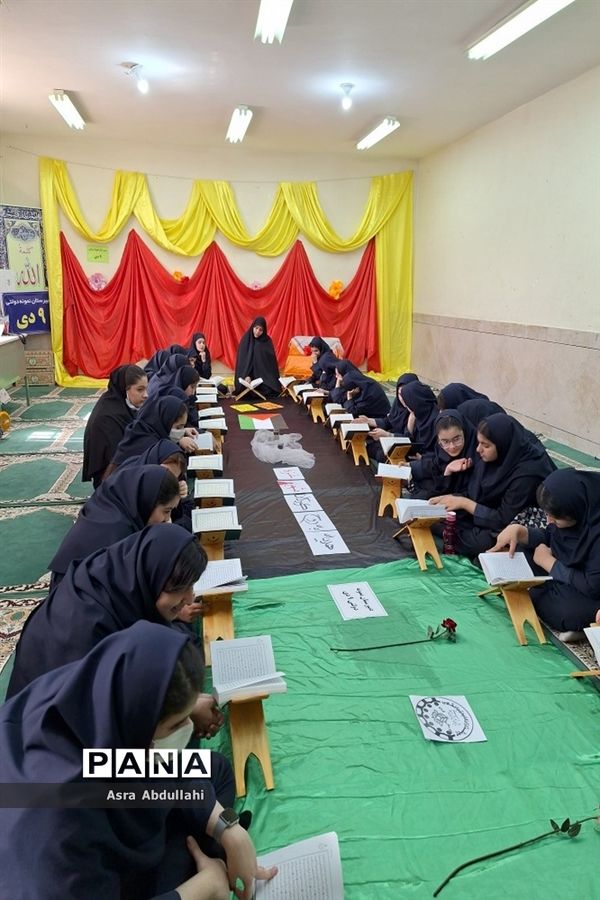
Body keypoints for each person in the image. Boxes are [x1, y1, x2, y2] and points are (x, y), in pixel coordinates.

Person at [0, 622, 277, 899]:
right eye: (177, 724)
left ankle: (200, 860)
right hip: (75, 875)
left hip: (109, 788)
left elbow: (160, 769)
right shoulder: (60, 830)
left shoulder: (97, 696)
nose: (189, 729)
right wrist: (203, 887)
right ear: (140, 726)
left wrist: (227, 827)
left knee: (215, 771)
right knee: (188, 860)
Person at [6, 525, 212, 704]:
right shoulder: (86, 629)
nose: (189, 598)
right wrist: (185, 708)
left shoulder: (120, 576)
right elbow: (101, 711)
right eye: (180, 589)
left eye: (191, 586)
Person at [491, 468, 600, 640]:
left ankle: (532, 593)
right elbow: (551, 536)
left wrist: (549, 563)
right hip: (568, 577)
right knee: (520, 552)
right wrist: (522, 532)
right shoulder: (579, 511)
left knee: (568, 612)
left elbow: (592, 586)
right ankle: (536, 591)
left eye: (555, 517)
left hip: (591, 590)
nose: (549, 521)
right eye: (547, 514)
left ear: (574, 509)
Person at [429, 413, 556, 557]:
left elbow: (503, 519)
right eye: (479, 443)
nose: (478, 449)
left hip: (516, 522)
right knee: (445, 510)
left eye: (486, 445)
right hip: (491, 512)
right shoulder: (493, 458)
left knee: (479, 542)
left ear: (503, 444)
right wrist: (454, 499)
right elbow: (475, 492)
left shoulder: (526, 475)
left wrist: (464, 503)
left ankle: (445, 531)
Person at [48, 466, 181, 589]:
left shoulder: (115, 502)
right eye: (166, 511)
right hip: (74, 594)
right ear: (148, 502)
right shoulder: (117, 533)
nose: (167, 519)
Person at [82, 364, 148, 488]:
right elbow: (116, 460)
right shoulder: (108, 418)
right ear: (125, 388)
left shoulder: (120, 404)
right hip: (109, 481)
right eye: (140, 390)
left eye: (146, 389)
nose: (146, 395)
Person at [121, 439, 194, 534]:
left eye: (174, 478)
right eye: (162, 473)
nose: (168, 480)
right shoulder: (131, 492)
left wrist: (177, 498)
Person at [111, 396, 198, 467]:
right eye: (178, 427)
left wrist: (181, 436)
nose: (181, 431)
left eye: (183, 427)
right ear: (165, 423)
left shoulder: (144, 429)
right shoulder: (148, 445)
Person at [409, 409, 477, 498]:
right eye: (445, 441)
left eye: (457, 439)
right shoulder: (441, 454)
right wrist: (408, 466)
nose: (452, 446)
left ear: (465, 433)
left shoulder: (477, 455)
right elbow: (433, 465)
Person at [361, 372, 419, 460]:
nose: (402, 398)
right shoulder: (398, 404)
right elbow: (390, 421)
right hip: (395, 438)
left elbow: (411, 441)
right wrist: (368, 421)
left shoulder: (417, 410)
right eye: (399, 394)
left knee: (381, 454)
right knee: (366, 440)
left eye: (405, 394)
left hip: (408, 447)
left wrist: (388, 435)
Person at [234, 317, 280, 398]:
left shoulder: (267, 341)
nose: (257, 331)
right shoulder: (245, 340)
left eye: (261, 330)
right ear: (252, 327)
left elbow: (270, 366)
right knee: (243, 388)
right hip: (247, 377)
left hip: (262, 377)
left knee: (267, 389)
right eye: (256, 328)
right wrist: (247, 375)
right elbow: (242, 363)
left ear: (264, 331)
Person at [399, 380, 439, 454]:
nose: (407, 407)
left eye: (408, 403)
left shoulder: (437, 420)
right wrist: (409, 426)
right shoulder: (417, 415)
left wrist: (422, 458)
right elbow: (409, 443)